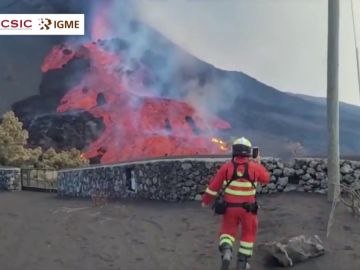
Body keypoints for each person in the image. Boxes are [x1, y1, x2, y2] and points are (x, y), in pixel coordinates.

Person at [201, 137, 270, 270]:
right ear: (249, 152)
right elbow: (266, 179)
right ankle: (242, 263)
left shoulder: (226, 167)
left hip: (229, 209)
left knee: (227, 232)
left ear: (234, 151)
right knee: (248, 234)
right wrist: (258, 163)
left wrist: (206, 201)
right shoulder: (255, 167)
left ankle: (227, 251)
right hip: (248, 210)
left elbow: (213, 187)